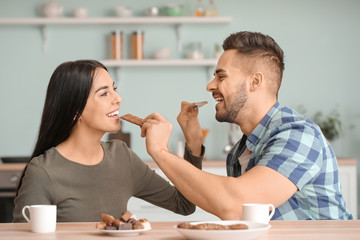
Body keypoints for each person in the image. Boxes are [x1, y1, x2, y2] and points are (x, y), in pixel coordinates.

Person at [141, 31, 353, 220]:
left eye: (221, 76)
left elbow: (235, 205)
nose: (210, 85)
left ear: (255, 82)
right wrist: (194, 143)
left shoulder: (299, 135)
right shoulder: (238, 153)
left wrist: (160, 151)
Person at [13, 60, 203, 222]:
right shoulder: (43, 173)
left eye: (114, 89)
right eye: (104, 93)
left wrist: (193, 141)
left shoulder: (122, 157)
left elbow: (185, 203)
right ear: (74, 111)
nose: (118, 98)